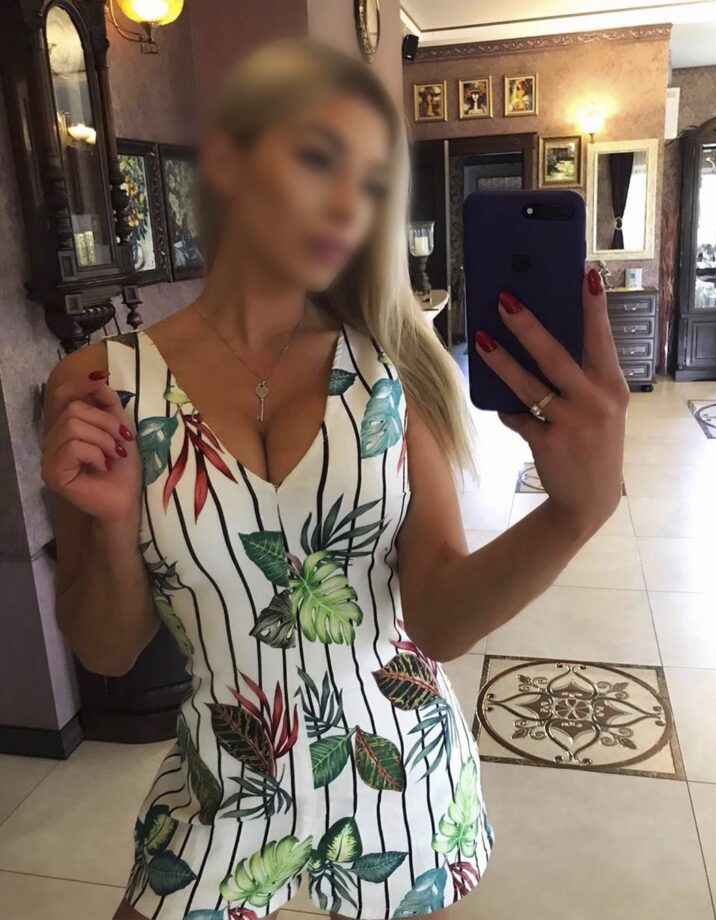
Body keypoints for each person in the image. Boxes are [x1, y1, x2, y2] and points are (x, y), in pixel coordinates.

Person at [41, 38, 627, 920]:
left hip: (404, 773)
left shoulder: (393, 367)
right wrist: (113, 523)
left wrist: (574, 515)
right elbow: (107, 650)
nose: (349, 204)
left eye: (372, 182)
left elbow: (437, 620)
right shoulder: (100, 382)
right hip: (222, 790)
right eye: (320, 159)